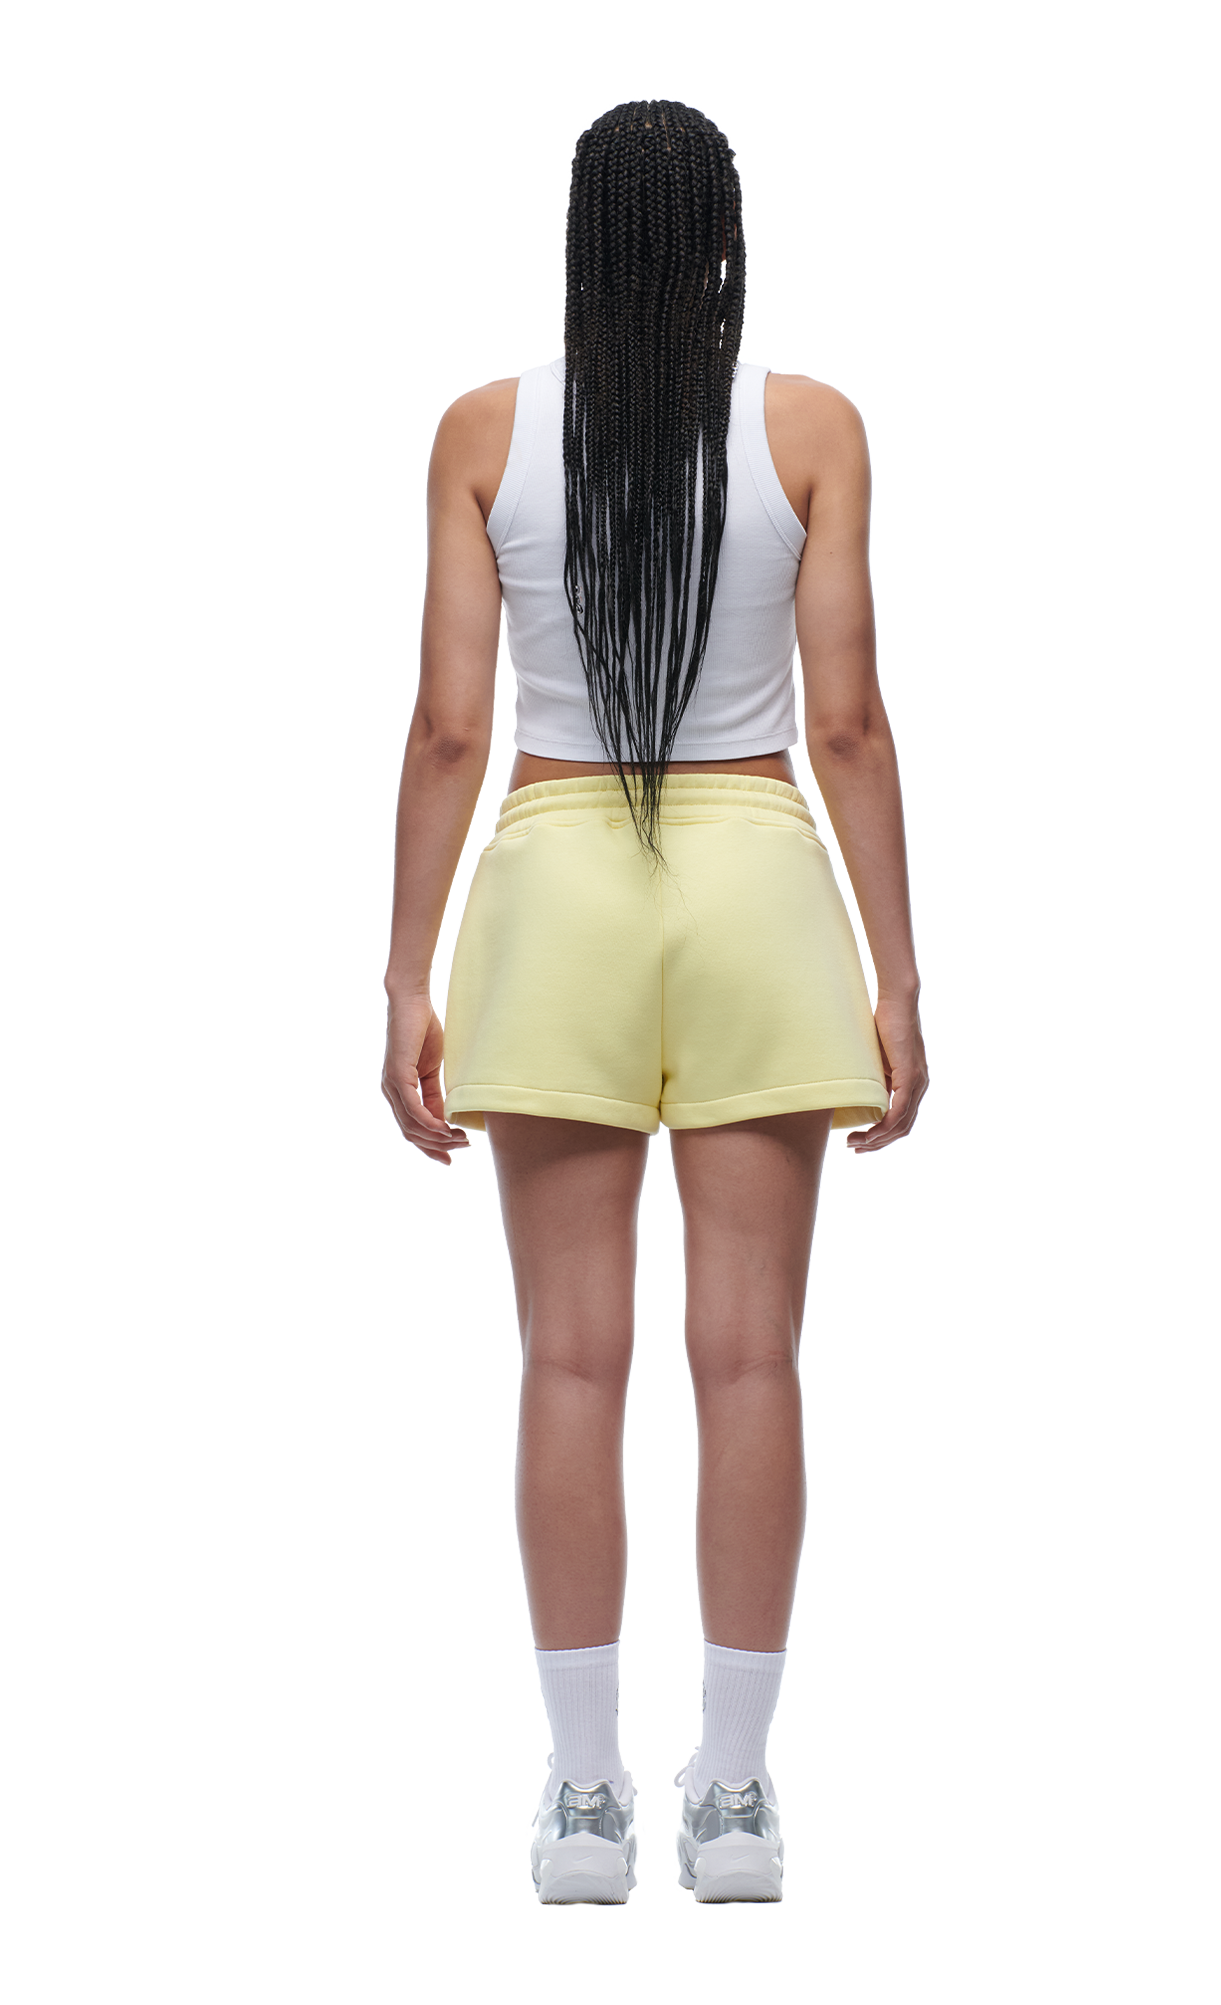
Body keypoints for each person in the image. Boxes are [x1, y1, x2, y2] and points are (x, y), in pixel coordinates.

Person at [381, 96, 928, 1906]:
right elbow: (846, 721)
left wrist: (404, 976)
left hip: (557, 883)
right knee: (750, 1357)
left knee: (568, 1355)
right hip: (760, 879)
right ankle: (743, 1804)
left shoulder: (485, 429)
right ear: (722, 243)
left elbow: (449, 728)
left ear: (581, 233)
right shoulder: (811, 426)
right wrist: (898, 977)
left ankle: (581, 1806)